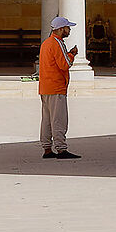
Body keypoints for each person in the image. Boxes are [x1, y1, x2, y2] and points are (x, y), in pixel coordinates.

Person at [38, 16, 79, 161]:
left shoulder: (46, 43)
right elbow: (65, 64)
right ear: (61, 29)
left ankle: (47, 148)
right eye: (67, 28)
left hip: (45, 87)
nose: (69, 30)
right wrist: (72, 54)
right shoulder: (57, 43)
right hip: (56, 87)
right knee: (59, 120)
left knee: (47, 120)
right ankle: (61, 149)